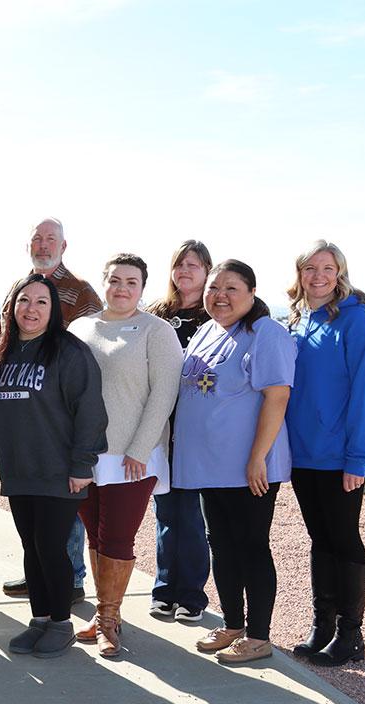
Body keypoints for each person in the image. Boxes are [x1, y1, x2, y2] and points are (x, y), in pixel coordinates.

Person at [172, 259, 296, 664]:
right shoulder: (208, 330)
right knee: (221, 546)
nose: (220, 296)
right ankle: (232, 623)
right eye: (213, 289)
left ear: (252, 294)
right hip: (210, 466)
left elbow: (277, 397)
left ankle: (259, 635)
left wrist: (258, 457)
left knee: (251, 547)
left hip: (248, 468)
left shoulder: (267, 334)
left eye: (231, 289)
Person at [68, 254, 182, 658]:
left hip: (132, 455)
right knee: (95, 533)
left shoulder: (157, 331)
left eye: (131, 282)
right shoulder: (80, 327)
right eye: (115, 280)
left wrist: (139, 448)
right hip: (87, 454)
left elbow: (164, 393)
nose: (121, 288)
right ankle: (102, 613)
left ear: (142, 288)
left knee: (117, 535)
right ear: (103, 282)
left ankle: (110, 620)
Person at [0, 275, 108, 658]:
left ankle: (61, 622)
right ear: (12, 307)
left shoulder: (69, 351)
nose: (32, 309)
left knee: (51, 547)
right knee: (31, 547)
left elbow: (90, 412)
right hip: (19, 468)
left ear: (54, 309)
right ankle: (39, 619)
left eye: (42, 302)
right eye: (25, 300)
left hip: (59, 470)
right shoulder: (4, 352)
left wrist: (82, 464)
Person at [286, 240, 365, 666]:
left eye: (328, 268)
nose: (319, 276)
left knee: (344, 539)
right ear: (300, 274)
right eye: (311, 268)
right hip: (301, 454)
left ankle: (351, 635)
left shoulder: (358, 322)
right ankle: (321, 625)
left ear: (340, 273)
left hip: (339, 456)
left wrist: (358, 457)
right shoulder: (297, 320)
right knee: (319, 539)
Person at [3, 217, 103, 603]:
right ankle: (45, 582)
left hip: (61, 422)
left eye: (51, 239)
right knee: (38, 539)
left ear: (64, 245)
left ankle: (71, 578)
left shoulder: (79, 291)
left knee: (59, 527)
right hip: (26, 427)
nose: (43, 245)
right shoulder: (19, 287)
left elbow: (92, 355)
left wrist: (83, 454)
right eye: (37, 239)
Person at [144, 240, 213, 622]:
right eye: (180, 264)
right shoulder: (157, 314)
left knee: (190, 514)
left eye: (194, 265)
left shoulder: (215, 314)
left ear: (207, 270)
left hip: (197, 429)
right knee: (167, 509)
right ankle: (164, 589)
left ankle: (192, 595)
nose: (185, 271)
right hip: (159, 427)